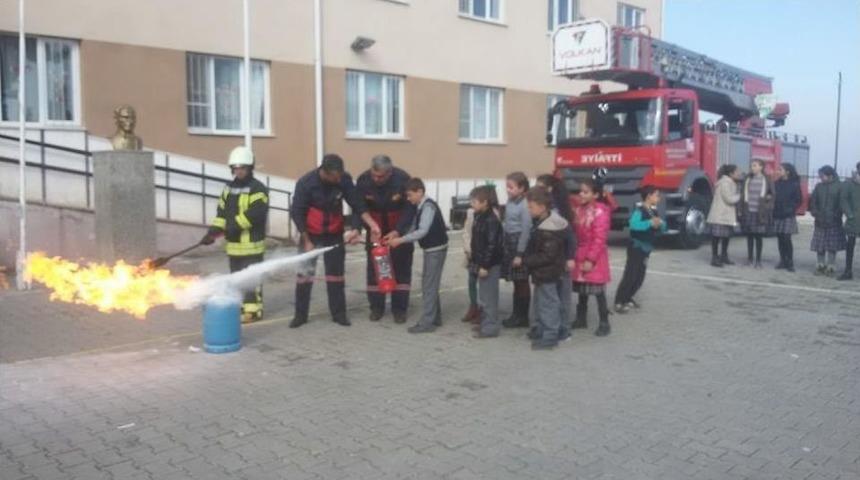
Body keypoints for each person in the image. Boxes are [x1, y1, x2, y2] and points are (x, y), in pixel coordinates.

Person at [290, 154, 381, 328]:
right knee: (304, 276)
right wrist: (307, 240)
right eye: (336, 176)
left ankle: (339, 314)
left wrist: (369, 225)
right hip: (310, 234)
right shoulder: (306, 183)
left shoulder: (343, 179)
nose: (339, 179)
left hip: (334, 234)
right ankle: (300, 315)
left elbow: (357, 204)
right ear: (325, 172)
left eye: (340, 175)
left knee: (336, 276)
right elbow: (297, 212)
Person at [201, 146, 269, 323]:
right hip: (234, 246)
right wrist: (212, 233)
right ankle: (240, 308)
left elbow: (256, 214)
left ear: (250, 168)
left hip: (251, 245)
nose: (239, 171)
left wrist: (234, 226)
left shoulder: (258, 189)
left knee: (251, 280)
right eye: (236, 168)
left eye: (242, 168)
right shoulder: (228, 189)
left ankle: (253, 312)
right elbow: (222, 213)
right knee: (236, 279)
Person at [355, 155, 414, 323]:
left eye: (380, 176)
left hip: (398, 233)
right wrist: (357, 228)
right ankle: (376, 307)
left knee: (401, 270)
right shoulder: (363, 180)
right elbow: (358, 207)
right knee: (374, 270)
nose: (376, 179)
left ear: (390, 172)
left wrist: (398, 231)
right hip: (375, 232)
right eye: (374, 175)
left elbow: (410, 210)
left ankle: (399, 309)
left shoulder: (403, 179)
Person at [387, 178, 449, 334]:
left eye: (410, 195)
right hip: (432, 249)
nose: (408, 199)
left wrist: (400, 240)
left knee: (428, 285)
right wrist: (396, 234)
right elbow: (414, 226)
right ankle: (435, 317)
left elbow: (422, 231)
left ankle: (427, 323)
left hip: (436, 249)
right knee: (430, 284)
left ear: (420, 192)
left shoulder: (428, 207)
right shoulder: (421, 206)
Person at [522, 186, 569, 350]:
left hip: (547, 272)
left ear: (542, 207)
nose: (528, 210)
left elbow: (547, 255)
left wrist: (527, 260)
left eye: (531, 207)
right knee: (542, 303)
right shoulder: (541, 222)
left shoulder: (549, 229)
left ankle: (550, 336)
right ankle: (542, 330)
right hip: (543, 272)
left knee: (549, 304)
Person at [613, 185, 666, 314]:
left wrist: (661, 224)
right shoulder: (639, 210)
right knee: (630, 275)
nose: (659, 198)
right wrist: (649, 223)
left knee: (639, 277)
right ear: (649, 196)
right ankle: (619, 301)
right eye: (656, 195)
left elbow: (663, 227)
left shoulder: (654, 211)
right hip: (636, 248)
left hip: (646, 249)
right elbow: (634, 225)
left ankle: (628, 297)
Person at [535, 174, 576, 333]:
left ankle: (564, 328)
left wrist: (570, 257)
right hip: (548, 259)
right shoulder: (542, 209)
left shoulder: (558, 211)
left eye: (541, 187)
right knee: (548, 295)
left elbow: (570, 238)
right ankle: (545, 326)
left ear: (550, 189)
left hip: (561, 258)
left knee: (562, 294)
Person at [571, 179, 612, 337]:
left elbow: (599, 238)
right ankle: (581, 318)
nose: (581, 194)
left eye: (586, 192)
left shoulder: (600, 212)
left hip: (594, 255)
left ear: (595, 194)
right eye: (580, 191)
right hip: (580, 252)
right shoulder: (579, 209)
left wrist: (590, 259)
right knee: (583, 287)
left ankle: (604, 322)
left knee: (598, 290)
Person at [468, 186, 504, 338]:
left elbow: (492, 245)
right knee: (483, 295)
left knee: (489, 297)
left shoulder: (491, 220)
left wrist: (485, 265)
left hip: (489, 264)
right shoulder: (479, 216)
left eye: (475, 202)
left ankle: (491, 327)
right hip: (480, 262)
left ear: (485, 202)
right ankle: (485, 323)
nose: (472, 204)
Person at [501, 172, 532, 329]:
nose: (508, 190)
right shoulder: (510, 201)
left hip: (519, 245)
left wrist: (520, 254)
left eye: (511, 187)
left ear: (522, 188)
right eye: (507, 186)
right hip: (509, 243)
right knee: (515, 281)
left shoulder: (524, 205)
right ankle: (516, 314)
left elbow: (526, 230)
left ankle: (523, 317)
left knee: (522, 281)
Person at [809, 165, 845, 277]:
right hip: (820, 221)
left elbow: (842, 203)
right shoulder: (819, 187)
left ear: (830, 175)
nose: (820, 178)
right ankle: (820, 265)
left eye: (822, 175)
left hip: (834, 222)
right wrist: (815, 213)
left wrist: (836, 215)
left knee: (832, 246)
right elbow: (813, 202)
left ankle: (831, 266)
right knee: (820, 245)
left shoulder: (839, 186)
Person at [739, 159, 775, 268]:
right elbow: (742, 195)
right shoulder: (748, 179)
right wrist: (741, 209)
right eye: (752, 166)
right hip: (749, 211)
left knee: (758, 237)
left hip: (760, 212)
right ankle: (749, 259)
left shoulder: (767, 179)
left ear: (761, 167)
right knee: (749, 236)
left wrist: (767, 206)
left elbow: (772, 195)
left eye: (755, 166)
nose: (752, 168)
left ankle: (758, 261)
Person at [706, 164, 742, 267]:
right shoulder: (725, 183)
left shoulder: (730, 182)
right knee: (716, 237)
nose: (739, 174)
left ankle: (724, 256)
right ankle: (715, 258)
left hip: (725, 215)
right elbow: (729, 199)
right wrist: (740, 196)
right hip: (720, 215)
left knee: (726, 236)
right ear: (731, 174)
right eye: (737, 172)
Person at [772, 163, 803, 272]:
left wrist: (790, 209)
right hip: (777, 214)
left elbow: (799, 200)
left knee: (786, 238)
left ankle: (790, 262)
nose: (778, 171)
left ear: (787, 172)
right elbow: (773, 197)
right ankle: (782, 260)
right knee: (780, 238)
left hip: (788, 215)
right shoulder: (776, 183)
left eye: (780, 169)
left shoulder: (794, 184)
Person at [838, 162, 860, 280]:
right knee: (850, 246)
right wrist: (849, 214)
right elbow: (843, 199)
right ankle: (848, 271)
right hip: (854, 220)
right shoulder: (849, 184)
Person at [460, 207, 481, 324]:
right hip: (472, 254)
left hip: (483, 254)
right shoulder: (471, 213)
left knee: (484, 283)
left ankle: (483, 310)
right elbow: (466, 232)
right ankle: (473, 307)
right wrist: (468, 249)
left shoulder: (493, 213)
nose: (473, 204)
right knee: (471, 281)